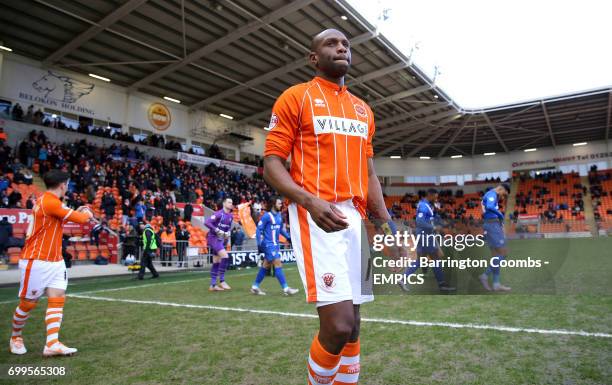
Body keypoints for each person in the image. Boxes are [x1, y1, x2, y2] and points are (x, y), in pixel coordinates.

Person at [263, 29, 392, 384]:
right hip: (317, 214)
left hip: (355, 217)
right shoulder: (296, 98)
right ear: (313, 58)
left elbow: (368, 175)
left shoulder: (363, 110)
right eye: (331, 44)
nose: (341, 47)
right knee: (337, 326)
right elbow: (271, 164)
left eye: (346, 45)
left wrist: (386, 226)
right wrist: (307, 200)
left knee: (354, 327)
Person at [8, 169, 95, 356]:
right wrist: (86, 212)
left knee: (57, 297)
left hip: (55, 260)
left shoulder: (50, 202)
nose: (68, 187)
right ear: (63, 185)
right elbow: (80, 219)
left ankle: (52, 343)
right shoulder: (49, 202)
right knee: (28, 304)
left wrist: (77, 211)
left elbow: (63, 216)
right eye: (67, 184)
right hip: (36, 261)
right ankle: (15, 337)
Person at [400, 189, 455, 292]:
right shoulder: (424, 206)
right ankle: (442, 285)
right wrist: (433, 228)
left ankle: (403, 279)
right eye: (435, 196)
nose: (436, 198)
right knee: (435, 258)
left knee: (420, 260)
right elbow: (420, 221)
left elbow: (431, 220)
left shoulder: (426, 206)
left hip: (423, 236)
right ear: (430, 195)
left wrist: (444, 224)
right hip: (426, 236)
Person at [251, 196, 299, 296]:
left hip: (275, 245)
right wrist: (259, 243)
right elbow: (258, 230)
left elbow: (281, 229)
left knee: (266, 266)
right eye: (279, 203)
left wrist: (288, 238)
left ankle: (255, 286)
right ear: (273, 204)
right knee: (278, 264)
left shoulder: (279, 216)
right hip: (268, 245)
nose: (281, 205)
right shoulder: (267, 216)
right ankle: (286, 289)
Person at [479, 183, 512, 292]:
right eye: (504, 194)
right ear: (501, 188)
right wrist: (500, 215)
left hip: (490, 225)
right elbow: (489, 206)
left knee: (496, 255)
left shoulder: (491, 195)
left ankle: (496, 284)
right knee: (503, 253)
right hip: (492, 225)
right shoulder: (492, 194)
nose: (503, 197)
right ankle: (485, 275)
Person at [204, 197, 234, 291]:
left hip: (220, 240)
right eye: (229, 202)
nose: (231, 204)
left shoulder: (230, 216)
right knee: (225, 257)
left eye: (231, 203)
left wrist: (228, 233)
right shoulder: (218, 214)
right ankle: (222, 281)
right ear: (224, 203)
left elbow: (228, 227)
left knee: (216, 261)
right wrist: (216, 230)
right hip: (213, 238)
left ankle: (213, 285)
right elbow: (207, 222)